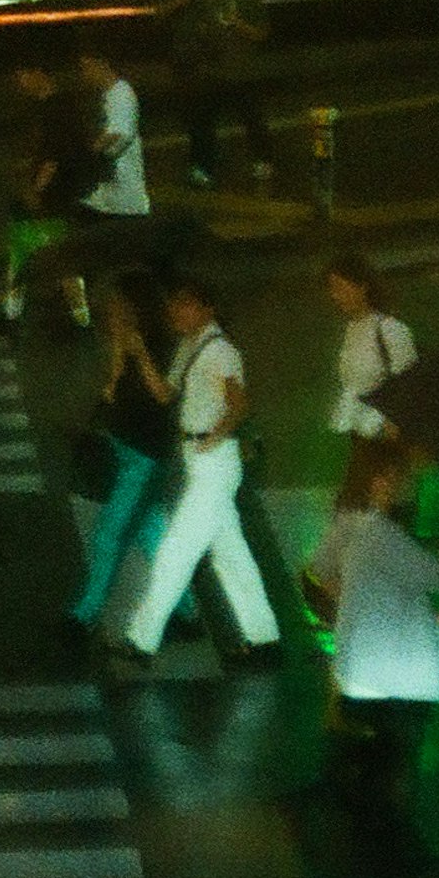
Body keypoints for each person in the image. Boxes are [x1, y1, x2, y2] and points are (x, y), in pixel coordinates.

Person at [305, 439, 439, 858]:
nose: (410, 489)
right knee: (398, 761)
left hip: (354, 669)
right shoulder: (384, 538)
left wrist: (357, 600)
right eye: (403, 481)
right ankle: (389, 846)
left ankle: (356, 809)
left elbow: (319, 576)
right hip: (393, 676)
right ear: (381, 485)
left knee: (380, 754)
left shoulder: (349, 525)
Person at [113, 273, 277, 665]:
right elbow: (164, 394)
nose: (175, 312)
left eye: (185, 305)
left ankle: (142, 640)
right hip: (198, 459)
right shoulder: (191, 346)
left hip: (214, 464)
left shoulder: (220, 351)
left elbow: (240, 404)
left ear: (207, 309)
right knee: (229, 554)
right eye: (174, 305)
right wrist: (139, 355)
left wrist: (216, 436)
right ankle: (265, 638)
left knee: (175, 551)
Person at [67, 272, 178, 634]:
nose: (110, 313)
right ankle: (186, 610)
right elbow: (112, 393)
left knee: (109, 535)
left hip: (145, 458)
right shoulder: (123, 341)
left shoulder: (163, 345)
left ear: (136, 309)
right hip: (125, 449)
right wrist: (118, 355)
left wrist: (140, 353)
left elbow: (163, 395)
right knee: (152, 534)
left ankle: (85, 614)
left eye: (118, 307)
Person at [0, 63, 88, 333]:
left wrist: (36, 190)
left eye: (22, 75)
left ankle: (81, 319)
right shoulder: (53, 107)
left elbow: (53, 157)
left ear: (39, 73)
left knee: (59, 259)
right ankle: (13, 314)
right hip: (49, 195)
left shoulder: (56, 110)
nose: (20, 83)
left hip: (51, 198)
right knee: (21, 253)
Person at [323, 252, 418, 503]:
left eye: (341, 288)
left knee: (371, 510)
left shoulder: (389, 328)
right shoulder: (352, 330)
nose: (335, 296)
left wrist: (395, 425)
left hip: (386, 438)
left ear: (362, 287)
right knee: (357, 509)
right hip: (362, 434)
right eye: (332, 289)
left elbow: (410, 382)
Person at [169, 0, 272, 190]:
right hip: (215, 72)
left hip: (244, 73)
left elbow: (262, 34)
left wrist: (239, 25)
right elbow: (198, 32)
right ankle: (202, 166)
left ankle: (263, 160)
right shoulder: (209, 1)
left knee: (253, 119)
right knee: (202, 120)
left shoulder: (250, 0)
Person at [77, 45, 152, 220]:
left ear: (102, 65)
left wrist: (85, 156)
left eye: (87, 67)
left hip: (122, 201)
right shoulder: (107, 95)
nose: (84, 73)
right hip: (105, 198)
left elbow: (118, 134)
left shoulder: (121, 95)